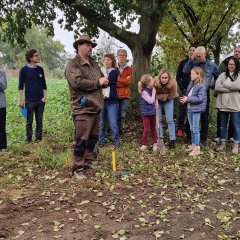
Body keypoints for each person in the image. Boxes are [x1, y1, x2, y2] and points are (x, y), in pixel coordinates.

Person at [65, 34, 109, 180]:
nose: (90, 48)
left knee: (93, 138)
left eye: (91, 46)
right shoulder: (73, 64)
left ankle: (87, 162)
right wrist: (98, 82)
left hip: (96, 107)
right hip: (82, 108)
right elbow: (77, 83)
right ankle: (78, 168)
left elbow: (101, 78)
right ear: (79, 46)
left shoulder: (94, 64)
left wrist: (105, 81)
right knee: (81, 140)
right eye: (87, 45)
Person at [183, 46, 219, 146]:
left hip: (204, 94)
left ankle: (203, 140)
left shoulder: (212, 65)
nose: (198, 58)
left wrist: (211, 85)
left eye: (199, 56)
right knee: (191, 114)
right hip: (193, 93)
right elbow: (185, 71)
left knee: (204, 117)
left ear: (205, 54)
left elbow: (218, 78)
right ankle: (191, 139)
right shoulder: (194, 63)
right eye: (197, 56)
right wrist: (192, 57)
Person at [19, 49, 47, 143]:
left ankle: (39, 139)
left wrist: (44, 97)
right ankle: (28, 140)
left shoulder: (40, 69)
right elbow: (20, 86)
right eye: (36, 55)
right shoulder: (24, 70)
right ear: (30, 58)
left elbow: (44, 85)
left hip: (40, 101)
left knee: (39, 122)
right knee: (29, 122)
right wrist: (21, 100)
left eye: (38, 55)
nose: (38, 57)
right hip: (29, 101)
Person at [214, 57, 240, 155]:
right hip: (223, 104)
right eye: (229, 64)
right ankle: (223, 144)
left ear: (236, 65)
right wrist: (230, 88)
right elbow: (217, 87)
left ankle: (236, 145)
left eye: (233, 64)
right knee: (222, 125)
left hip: (235, 104)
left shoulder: (239, 75)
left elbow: (238, 86)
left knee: (236, 125)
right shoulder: (222, 74)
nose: (231, 66)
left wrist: (224, 84)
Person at [180, 67, 207, 156]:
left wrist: (188, 98)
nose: (190, 75)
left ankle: (197, 148)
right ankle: (193, 144)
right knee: (191, 127)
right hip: (189, 108)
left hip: (196, 109)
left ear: (198, 75)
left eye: (192, 74)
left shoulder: (202, 85)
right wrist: (185, 99)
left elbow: (200, 98)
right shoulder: (192, 84)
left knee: (195, 128)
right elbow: (189, 95)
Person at [99, 53, 120, 148]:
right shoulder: (100, 70)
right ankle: (101, 141)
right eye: (105, 60)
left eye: (109, 60)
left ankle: (116, 141)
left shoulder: (114, 71)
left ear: (112, 61)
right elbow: (97, 80)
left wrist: (100, 81)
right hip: (101, 100)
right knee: (102, 123)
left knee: (113, 123)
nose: (106, 61)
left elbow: (108, 83)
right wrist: (100, 81)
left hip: (112, 101)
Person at [154, 70, 178, 149]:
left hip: (169, 100)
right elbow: (153, 94)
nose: (164, 79)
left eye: (166, 78)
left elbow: (173, 95)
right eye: (162, 78)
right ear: (159, 77)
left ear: (169, 78)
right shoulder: (155, 82)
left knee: (170, 120)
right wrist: (162, 96)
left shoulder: (173, 83)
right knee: (159, 120)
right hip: (158, 101)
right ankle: (160, 139)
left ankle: (172, 140)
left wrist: (161, 96)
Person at [176, 45, 196, 141]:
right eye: (190, 50)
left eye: (194, 50)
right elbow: (178, 77)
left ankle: (189, 133)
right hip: (183, 90)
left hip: (194, 91)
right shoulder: (183, 63)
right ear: (188, 52)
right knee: (182, 110)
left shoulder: (197, 64)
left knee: (191, 111)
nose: (192, 52)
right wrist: (182, 89)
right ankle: (180, 129)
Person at [138, 74, 158, 152]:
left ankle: (155, 144)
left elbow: (155, 100)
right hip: (146, 113)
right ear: (148, 83)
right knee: (146, 129)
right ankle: (144, 144)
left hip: (153, 112)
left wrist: (157, 105)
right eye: (152, 80)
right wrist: (153, 93)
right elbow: (150, 101)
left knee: (154, 128)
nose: (154, 81)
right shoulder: (144, 92)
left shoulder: (153, 89)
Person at [116, 49, 133, 135]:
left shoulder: (129, 69)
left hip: (125, 95)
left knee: (122, 114)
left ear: (126, 57)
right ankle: (114, 131)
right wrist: (123, 81)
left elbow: (129, 82)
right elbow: (112, 82)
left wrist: (118, 80)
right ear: (117, 56)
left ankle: (119, 130)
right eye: (120, 55)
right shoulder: (113, 68)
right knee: (115, 114)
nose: (121, 57)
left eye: (123, 55)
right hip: (114, 94)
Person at [0, 70, 7, 151]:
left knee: (1, 126)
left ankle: (2, 146)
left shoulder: (2, 74)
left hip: (1, 104)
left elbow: (3, 86)